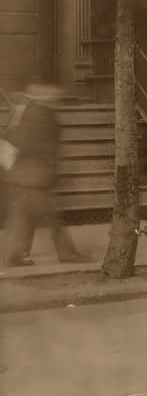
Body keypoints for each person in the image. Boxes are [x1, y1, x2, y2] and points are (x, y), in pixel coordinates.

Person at [2, 78, 87, 267]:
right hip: (34, 175)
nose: (56, 97)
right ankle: (67, 254)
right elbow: (28, 143)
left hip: (22, 175)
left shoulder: (26, 112)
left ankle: (16, 255)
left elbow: (14, 138)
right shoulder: (41, 114)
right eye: (52, 94)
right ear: (42, 96)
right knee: (50, 217)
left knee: (23, 215)